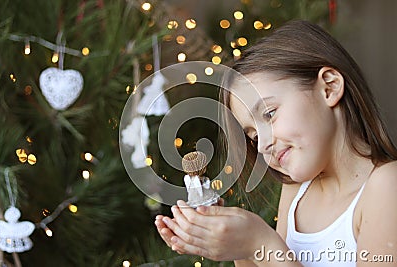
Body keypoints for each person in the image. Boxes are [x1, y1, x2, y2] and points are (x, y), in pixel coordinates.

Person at [155, 20, 397, 266]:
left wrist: (261, 243)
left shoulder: (386, 185)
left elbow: (272, 254)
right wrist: (239, 246)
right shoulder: (297, 191)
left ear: (329, 88)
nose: (261, 147)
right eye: (254, 137)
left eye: (269, 114)